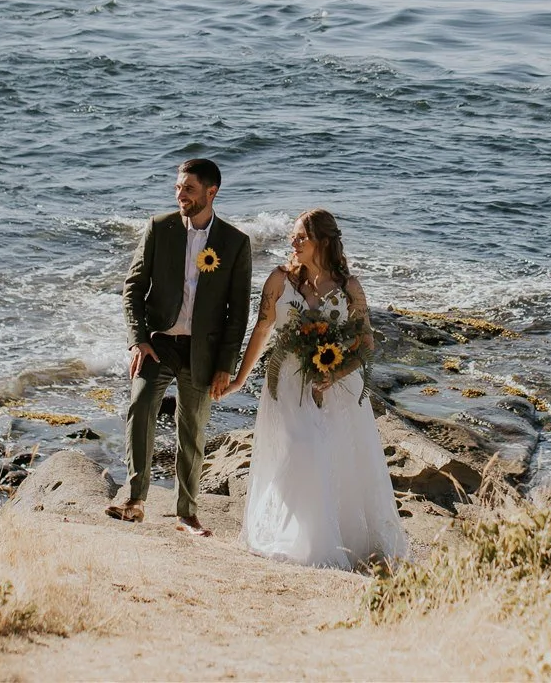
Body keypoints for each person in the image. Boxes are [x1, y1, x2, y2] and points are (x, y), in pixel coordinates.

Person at [229, 208, 409, 568]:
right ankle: (306, 541)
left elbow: (366, 344)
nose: (292, 242)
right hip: (289, 381)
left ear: (322, 242)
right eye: (293, 236)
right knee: (302, 447)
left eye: (301, 237)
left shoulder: (349, 288)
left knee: (341, 458)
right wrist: (240, 378)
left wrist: (336, 374)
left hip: (338, 385)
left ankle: (345, 540)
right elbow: (262, 330)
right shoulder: (280, 281)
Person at [110, 158, 253, 536]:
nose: (180, 195)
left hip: (202, 351)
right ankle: (135, 500)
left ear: (211, 192)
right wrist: (138, 340)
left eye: (188, 188)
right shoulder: (159, 228)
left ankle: (187, 513)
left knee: (192, 429)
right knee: (140, 407)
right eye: (177, 187)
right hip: (158, 343)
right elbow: (133, 288)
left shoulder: (236, 243)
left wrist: (227, 365)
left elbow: (238, 313)